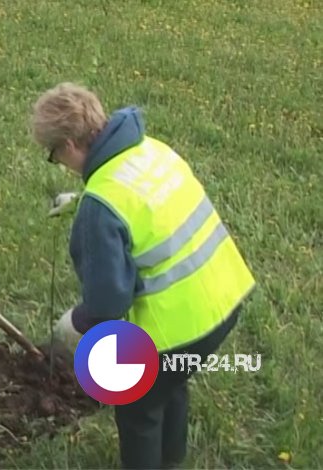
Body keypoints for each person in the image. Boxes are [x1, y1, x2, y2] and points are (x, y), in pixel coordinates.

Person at [31, 82, 256, 469]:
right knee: (172, 381)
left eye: (53, 155)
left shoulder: (101, 208)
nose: (59, 163)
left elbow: (107, 304)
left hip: (178, 332)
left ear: (68, 145)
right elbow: (143, 207)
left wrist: (75, 323)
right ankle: (172, 460)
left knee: (137, 405)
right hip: (224, 300)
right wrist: (87, 202)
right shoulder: (152, 150)